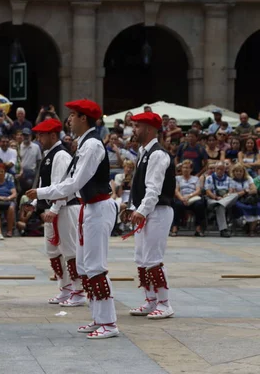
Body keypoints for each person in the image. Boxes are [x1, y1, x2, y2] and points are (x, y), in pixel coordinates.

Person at [26, 99, 119, 340]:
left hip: (98, 207)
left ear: (83, 118)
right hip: (90, 207)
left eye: (72, 115)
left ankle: (108, 322)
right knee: (86, 266)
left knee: (96, 266)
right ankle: (99, 318)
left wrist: (43, 193)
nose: (68, 120)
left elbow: (74, 183)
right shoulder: (84, 144)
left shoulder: (92, 145)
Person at [121, 112, 176, 320]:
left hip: (159, 211)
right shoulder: (144, 152)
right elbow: (139, 187)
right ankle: (150, 299)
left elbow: (153, 189)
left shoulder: (157, 154)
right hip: (147, 211)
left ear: (150, 129)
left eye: (137, 126)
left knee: (153, 258)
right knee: (141, 258)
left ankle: (164, 303)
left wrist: (141, 210)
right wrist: (133, 206)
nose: (133, 129)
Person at [31, 118, 86, 308]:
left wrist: (54, 209)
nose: (38, 137)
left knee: (70, 252)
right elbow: (43, 184)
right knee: (53, 251)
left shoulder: (61, 155)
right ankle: (65, 288)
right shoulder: (48, 154)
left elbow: (63, 186)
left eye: (41, 134)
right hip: (53, 208)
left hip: (66, 208)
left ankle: (78, 291)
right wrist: (34, 203)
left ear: (53, 135)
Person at [204, 161, 238, 237]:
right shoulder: (209, 178)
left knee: (235, 195)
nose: (219, 171)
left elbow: (231, 190)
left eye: (222, 169)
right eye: (218, 169)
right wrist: (216, 197)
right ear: (215, 169)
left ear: (224, 170)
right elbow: (207, 191)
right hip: (213, 200)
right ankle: (223, 230)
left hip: (225, 200)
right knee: (220, 206)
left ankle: (220, 203)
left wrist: (227, 195)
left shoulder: (229, 179)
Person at [172, 160, 205, 236]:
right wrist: (182, 198)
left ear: (191, 169)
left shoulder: (195, 179)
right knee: (177, 205)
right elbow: (176, 190)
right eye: (184, 168)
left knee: (199, 205)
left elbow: (198, 190)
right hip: (181, 198)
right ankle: (175, 227)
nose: (185, 169)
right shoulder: (177, 178)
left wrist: (189, 196)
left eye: (187, 168)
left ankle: (198, 228)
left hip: (193, 198)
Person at [230, 163, 259, 235]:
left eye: (240, 171)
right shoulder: (232, 180)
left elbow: (254, 190)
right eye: (236, 171)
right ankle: (246, 226)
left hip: (249, 199)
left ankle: (252, 230)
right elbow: (233, 194)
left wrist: (242, 192)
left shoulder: (249, 178)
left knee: (258, 206)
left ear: (243, 172)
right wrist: (246, 191)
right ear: (233, 172)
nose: (238, 173)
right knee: (240, 207)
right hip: (238, 200)